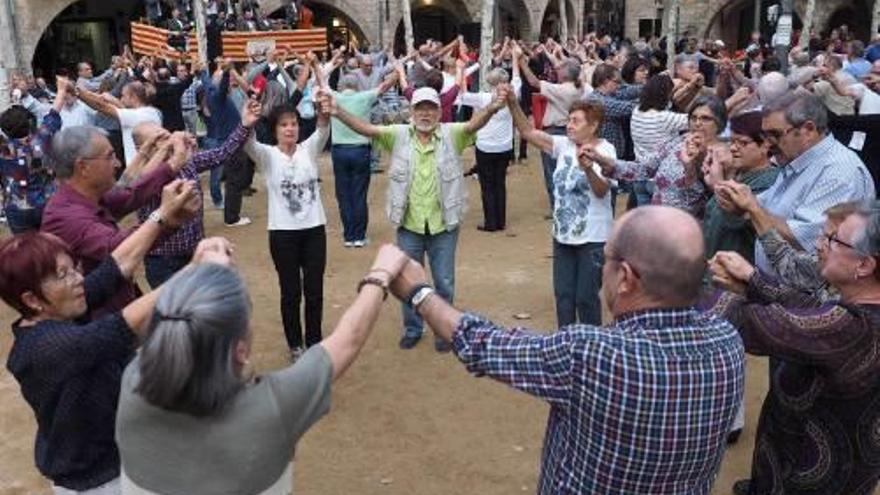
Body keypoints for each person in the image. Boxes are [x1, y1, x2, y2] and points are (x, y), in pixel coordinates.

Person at [388, 205, 744, 494]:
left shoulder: (592, 354)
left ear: (625, 278)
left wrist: (419, 293)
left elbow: (483, 343)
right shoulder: (727, 341)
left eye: (603, 259)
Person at [114, 243, 409, 494]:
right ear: (241, 350)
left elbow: (171, 323)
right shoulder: (271, 408)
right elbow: (348, 339)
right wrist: (380, 274)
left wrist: (201, 271)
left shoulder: (132, 383)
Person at [0, 180, 199, 495]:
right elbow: (122, 324)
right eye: (63, 275)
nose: (78, 279)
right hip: (98, 483)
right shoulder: (47, 347)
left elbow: (116, 267)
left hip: (117, 461)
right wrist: (196, 272)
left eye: (73, 268)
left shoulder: (52, 312)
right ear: (32, 299)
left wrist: (163, 216)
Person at [706, 201, 880, 495]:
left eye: (831, 239)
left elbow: (754, 324)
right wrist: (752, 279)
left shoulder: (851, 326)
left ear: (864, 265)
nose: (819, 244)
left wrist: (676, 281)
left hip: (805, 476)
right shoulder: (857, 309)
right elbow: (811, 308)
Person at [320, 85, 511, 351]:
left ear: (439, 112)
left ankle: (444, 332)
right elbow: (367, 129)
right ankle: (413, 327)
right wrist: (338, 112)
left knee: (444, 281)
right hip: (409, 224)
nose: (425, 113)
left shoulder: (451, 134)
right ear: (411, 111)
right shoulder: (398, 135)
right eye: (420, 108)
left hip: (443, 223)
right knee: (410, 281)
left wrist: (491, 108)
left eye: (431, 108)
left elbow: (472, 125)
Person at [713, 93, 874, 277]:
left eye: (775, 134)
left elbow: (808, 239)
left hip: (810, 299)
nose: (768, 143)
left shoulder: (840, 171)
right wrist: (738, 201)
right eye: (765, 135)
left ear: (808, 130)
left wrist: (751, 209)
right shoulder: (795, 160)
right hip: (776, 290)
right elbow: (766, 208)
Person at [41, 126, 185, 317]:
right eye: (110, 157)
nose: (117, 164)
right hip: (97, 324)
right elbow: (118, 249)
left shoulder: (85, 197)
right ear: (83, 167)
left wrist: (171, 164)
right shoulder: (65, 216)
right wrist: (166, 217)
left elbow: (130, 195)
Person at [509, 94, 615, 326]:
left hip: (593, 239)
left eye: (576, 121)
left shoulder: (606, 151)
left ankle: (591, 349)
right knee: (564, 297)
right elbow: (528, 132)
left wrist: (588, 170)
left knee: (586, 299)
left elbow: (601, 191)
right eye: (569, 120)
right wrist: (512, 102)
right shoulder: (564, 145)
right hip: (563, 236)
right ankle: (564, 348)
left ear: (594, 125)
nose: (569, 125)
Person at [134, 98, 261, 288]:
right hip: (163, 261)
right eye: (157, 140)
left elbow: (222, 153)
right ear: (141, 149)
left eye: (165, 136)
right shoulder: (139, 178)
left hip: (194, 253)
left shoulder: (187, 161)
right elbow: (144, 182)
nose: (167, 142)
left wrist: (244, 125)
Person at [242, 97, 330, 361]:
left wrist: (323, 109)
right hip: (282, 234)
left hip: (314, 230)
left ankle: (314, 341)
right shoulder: (267, 156)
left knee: (314, 291)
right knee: (290, 292)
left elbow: (323, 128)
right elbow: (248, 142)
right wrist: (248, 120)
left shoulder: (309, 149)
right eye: (283, 125)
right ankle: (295, 344)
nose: (290, 129)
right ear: (275, 130)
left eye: (293, 124)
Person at [589, 95, 727, 219]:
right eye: (694, 118)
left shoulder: (722, 156)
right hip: (659, 223)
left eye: (705, 118)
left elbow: (708, 199)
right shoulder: (677, 142)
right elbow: (643, 168)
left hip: (688, 230)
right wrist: (604, 161)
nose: (697, 123)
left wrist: (692, 164)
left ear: (719, 123)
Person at [329, 73, 397, 247]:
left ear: (340, 86)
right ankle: (359, 236)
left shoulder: (333, 97)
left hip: (339, 150)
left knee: (344, 194)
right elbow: (385, 86)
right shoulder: (364, 97)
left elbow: (319, 80)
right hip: (360, 149)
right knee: (359, 193)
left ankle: (349, 235)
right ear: (357, 85)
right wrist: (398, 71)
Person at [702, 111, 779, 262]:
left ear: (765, 145)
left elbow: (737, 221)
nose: (733, 148)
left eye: (742, 143)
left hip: (737, 269)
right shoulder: (740, 175)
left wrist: (718, 184)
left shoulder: (769, 181)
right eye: (732, 141)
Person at [516, 46, 582, 212]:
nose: (556, 71)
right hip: (567, 130)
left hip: (555, 131)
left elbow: (533, 82)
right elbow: (566, 67)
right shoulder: (579, 87)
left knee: (552, 172)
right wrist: (557, 54)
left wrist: (521, 62)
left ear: (565, 74)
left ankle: (557, 207)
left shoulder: (561, 90)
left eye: (560, 70)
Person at [458, 65, 522, 232]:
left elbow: (462, 95)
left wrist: (462, 72)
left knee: (487, 185)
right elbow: (517, 78)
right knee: (499, 183)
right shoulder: (513, 96)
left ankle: (491, 222)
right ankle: (500, 221)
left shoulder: (484, 98)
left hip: (486, 147)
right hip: (505, 147)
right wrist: (516, 58)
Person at [0, 77, 68, 233]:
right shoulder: (40, 140)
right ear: (29, 124)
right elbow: (53, 114)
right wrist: (62, 90)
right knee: (55, 244)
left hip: (16, 207)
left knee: (26, 251)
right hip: (46, 203)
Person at [629, 74, 688, 207]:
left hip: (640, 175)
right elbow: (699, 119)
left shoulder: (636, 112)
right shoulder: (665, 118)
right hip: (660, 177)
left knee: (644, 223)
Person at [75, 81, 163, 166]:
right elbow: (123, 108)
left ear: (133, 97)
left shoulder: (135, 115)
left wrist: (78, 93)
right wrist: (112, 100)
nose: (121, 99)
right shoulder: (153, 112)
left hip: (139, 169)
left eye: (123, 96)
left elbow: (101, 106)